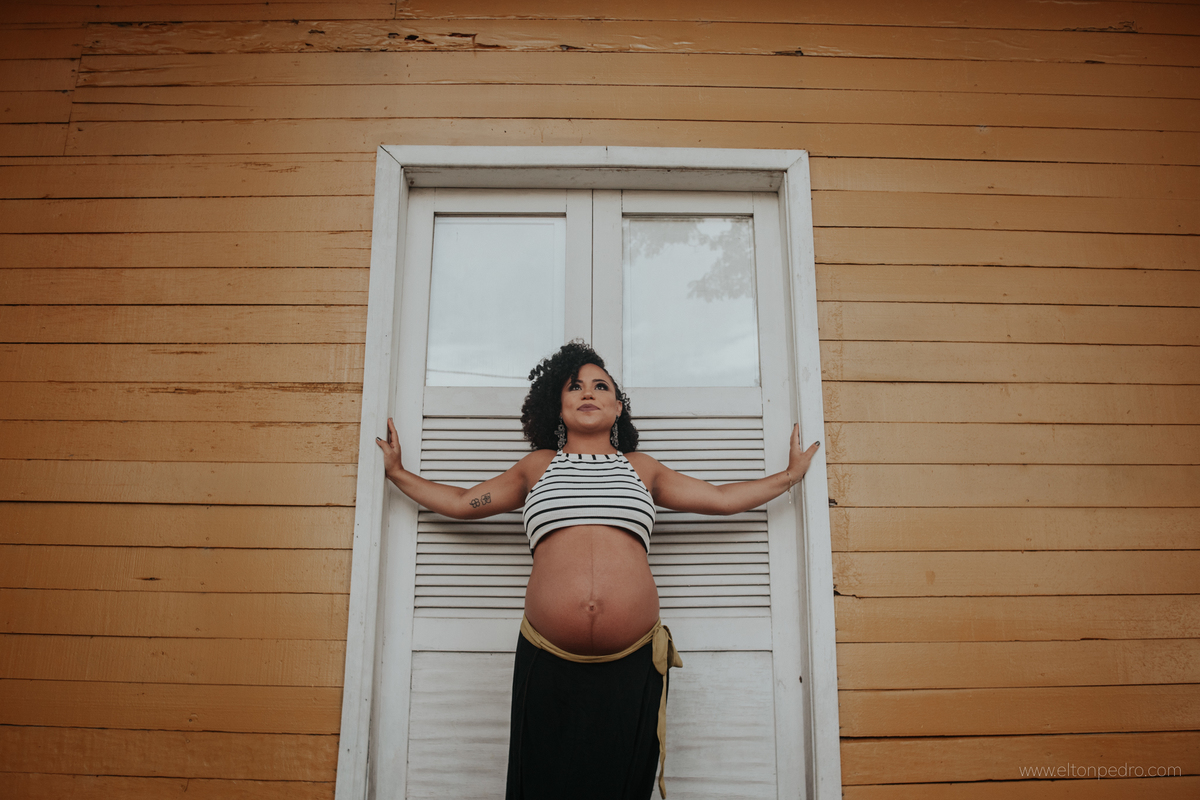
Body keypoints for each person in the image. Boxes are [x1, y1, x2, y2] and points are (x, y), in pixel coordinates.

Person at [376, 341, 820, 800]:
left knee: (620, 787)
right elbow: (461, 502)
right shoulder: (537, 467)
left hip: (633, 660)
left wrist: (790, 475)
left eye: (600, 386)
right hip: (546, 656)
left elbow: (722, 499)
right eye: (575, 387)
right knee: (541, 786)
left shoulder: (642, 470)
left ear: (618, 406)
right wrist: (397, 472)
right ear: (558, 405)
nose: (588, 392)